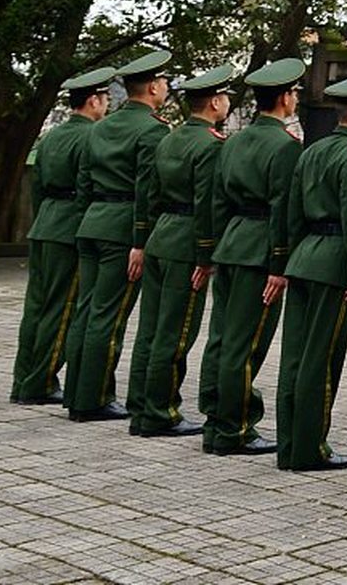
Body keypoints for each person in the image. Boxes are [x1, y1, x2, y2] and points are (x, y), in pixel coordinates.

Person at [276, 70, 347, 471]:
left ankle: (289, 441)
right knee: (321, 360)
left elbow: (291, 212)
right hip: (334, 263)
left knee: (295, 356)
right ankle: (309, 447)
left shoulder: (312, 151)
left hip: (304, 257)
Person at [201, 56, 306, 456]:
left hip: (231, 244)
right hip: (259, 251)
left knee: (222, 338)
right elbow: (284, 210)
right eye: (293, 92)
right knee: (246, 345)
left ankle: (215, 419)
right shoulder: (284, 146)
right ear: (283, 98)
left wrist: (211, 251)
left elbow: (217, 201)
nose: (295, 98)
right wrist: (280, 266)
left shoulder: (234, 140)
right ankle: (235, 427)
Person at [128, 65, 233, 437]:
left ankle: (140, 406)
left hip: (160, 237)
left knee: (150, 330)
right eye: (225, 99)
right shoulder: (210, 145)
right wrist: (207, 256)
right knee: (176, 333)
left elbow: (149, 195)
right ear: (216, 102)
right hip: (186, 242)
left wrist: (143, 240)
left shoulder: (169, 138)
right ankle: (161, 411)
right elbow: (208, 204)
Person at [67, 50, 171, 422]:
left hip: (93, 221)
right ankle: (91, 399)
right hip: (123, 228)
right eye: (164, 83)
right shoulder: (153, 129)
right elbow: (148, 191)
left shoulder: (99, 127)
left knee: (86, 310)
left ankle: (77, 392)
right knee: (108, 317)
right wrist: (141, 241)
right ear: (154, 87)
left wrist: (86, 220)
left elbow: (83, 183)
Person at [10, 65, 114, 405]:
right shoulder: (91, 136)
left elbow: (36, 184)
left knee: (37, 306)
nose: (107, 106)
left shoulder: (52, 135)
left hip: (45, 224)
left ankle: (23, 378)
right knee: (63, 308)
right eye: (105, 99)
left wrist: (43, 219)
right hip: (69, 226)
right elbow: (86, 187)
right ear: (94, 101)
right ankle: (40, 382)